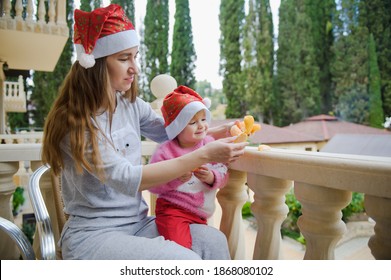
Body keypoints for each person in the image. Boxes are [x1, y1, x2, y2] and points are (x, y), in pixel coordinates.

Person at [41, 4, 247, 260]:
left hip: (137, 225)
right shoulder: (76, 123)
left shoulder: (130, 105)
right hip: (94, 235)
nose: (135, 68)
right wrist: (204, 154)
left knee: (213, 241)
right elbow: (127, 178)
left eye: (135, 57)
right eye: (124, 58)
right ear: (97, 64)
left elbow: (170, 131)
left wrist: (215, 132)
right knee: (184, 262)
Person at [149, 85, 229, 250]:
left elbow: (223, 171)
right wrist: (175, 179)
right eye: (192, 122)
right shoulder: (166, 151)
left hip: (200, 213)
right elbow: (153, 183)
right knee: (181, 251)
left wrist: (212, 177)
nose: (201, 126)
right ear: (177, 127)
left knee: (204, 247)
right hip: (173, 211)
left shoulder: (209, 143)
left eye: (203, 119)